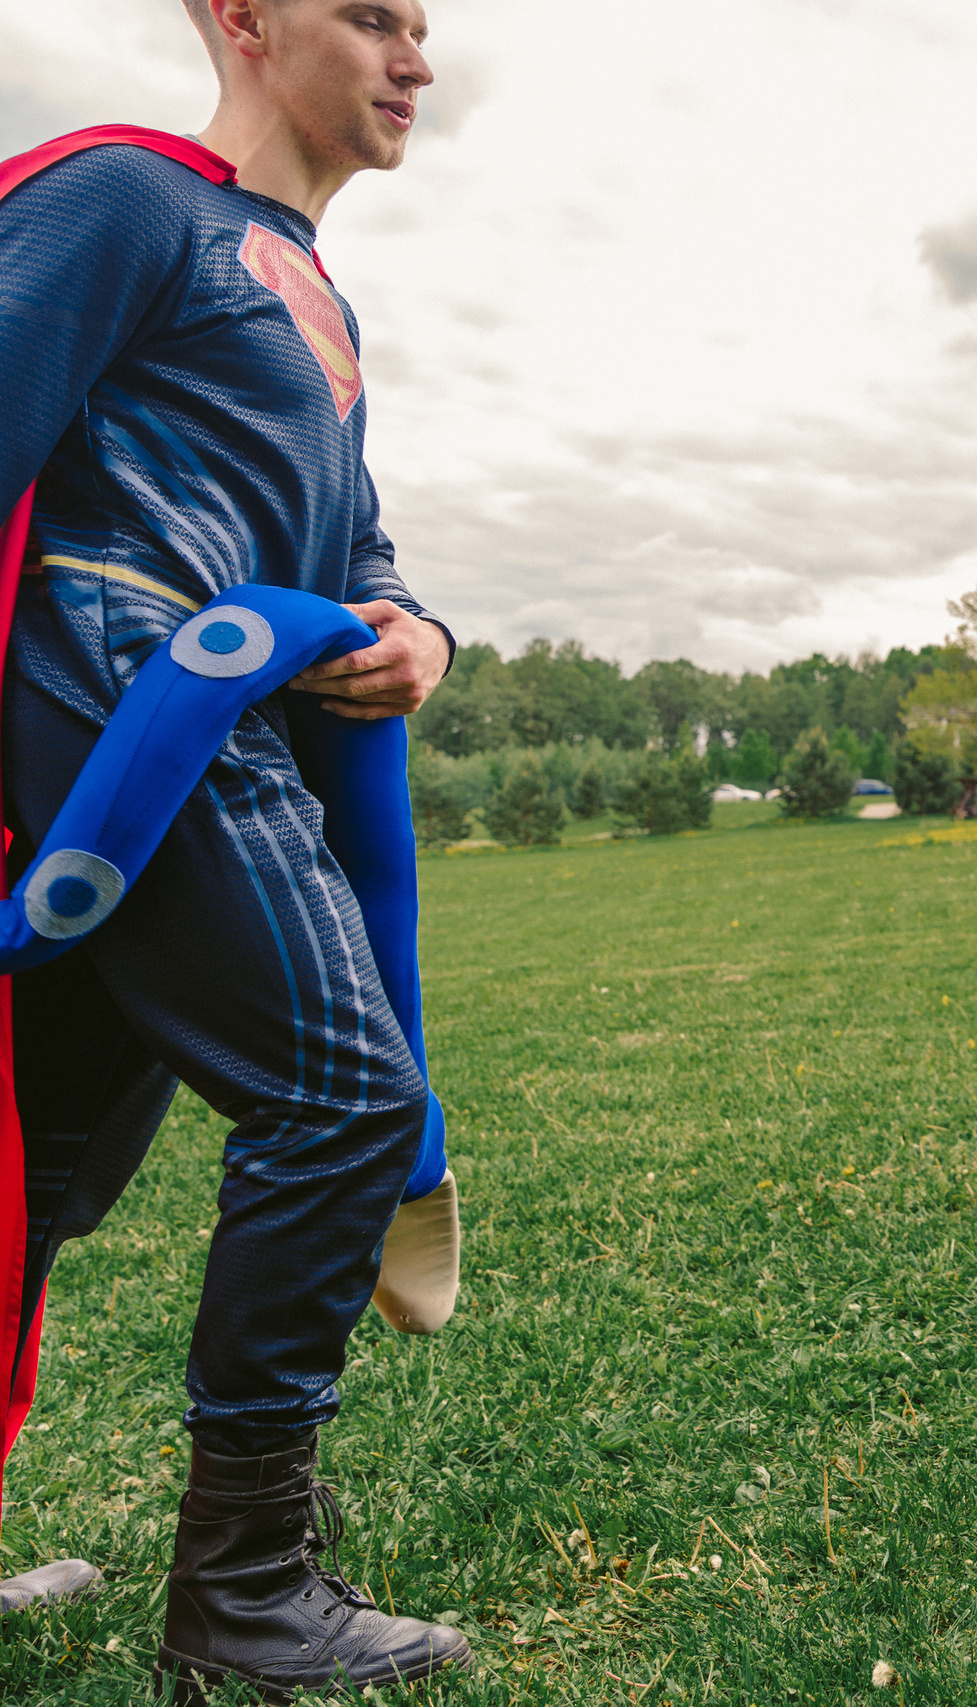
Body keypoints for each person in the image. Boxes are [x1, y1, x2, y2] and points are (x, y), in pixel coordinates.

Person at [0, 0, 470, 1693]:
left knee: (31, 1176)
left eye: (427, 26)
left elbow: (354, 537)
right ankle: (248, 1593)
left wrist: (408, 626)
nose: (416, 56)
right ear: (244, 17)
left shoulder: (319, 298)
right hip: (129, 689)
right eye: (372, 16)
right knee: (348, 1096)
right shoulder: (124, 197)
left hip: (243, 720)